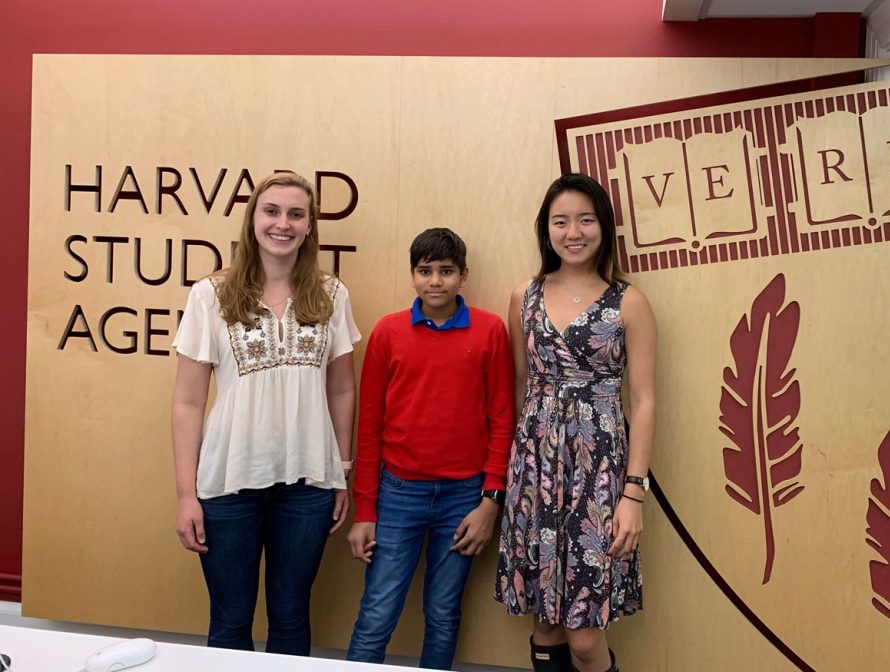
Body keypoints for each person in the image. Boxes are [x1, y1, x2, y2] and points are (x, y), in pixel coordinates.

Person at [170, 171, 360, 655]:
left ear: (310, 225)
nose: (283, 224)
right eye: (271, 211)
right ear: (252, 218)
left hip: (308, 485)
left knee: (292, 615)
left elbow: (341, 388)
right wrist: (187, 496)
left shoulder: (331, 294)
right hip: (228, 483)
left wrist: (341, 470)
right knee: (230, 619)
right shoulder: (211, 294)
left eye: (296, 214)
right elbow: (188, 401)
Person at [495, 173, 657, 672]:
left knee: (585, 638)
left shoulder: (628, 302)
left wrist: (633, 494)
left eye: (585, 220)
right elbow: (520, 388)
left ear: (603, 227)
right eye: (560, 221)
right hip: (535, 472)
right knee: (545, 624)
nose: (573, 232)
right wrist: (513, 480)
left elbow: (644, 402)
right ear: (546, 230)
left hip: (599, 475)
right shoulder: (524, 296)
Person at [346, 227, 515, 670]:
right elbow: (370, 428)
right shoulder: (388, 333)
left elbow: (502, 419)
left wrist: (490, 500)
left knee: (442, 613)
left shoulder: (490, 331)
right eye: (425, 271)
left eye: (446, 271)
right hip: (399, 493)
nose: (435, 281)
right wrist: (365, 510)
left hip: (464, 497)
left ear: (464, 275)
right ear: (412, 275)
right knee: (377, 612)